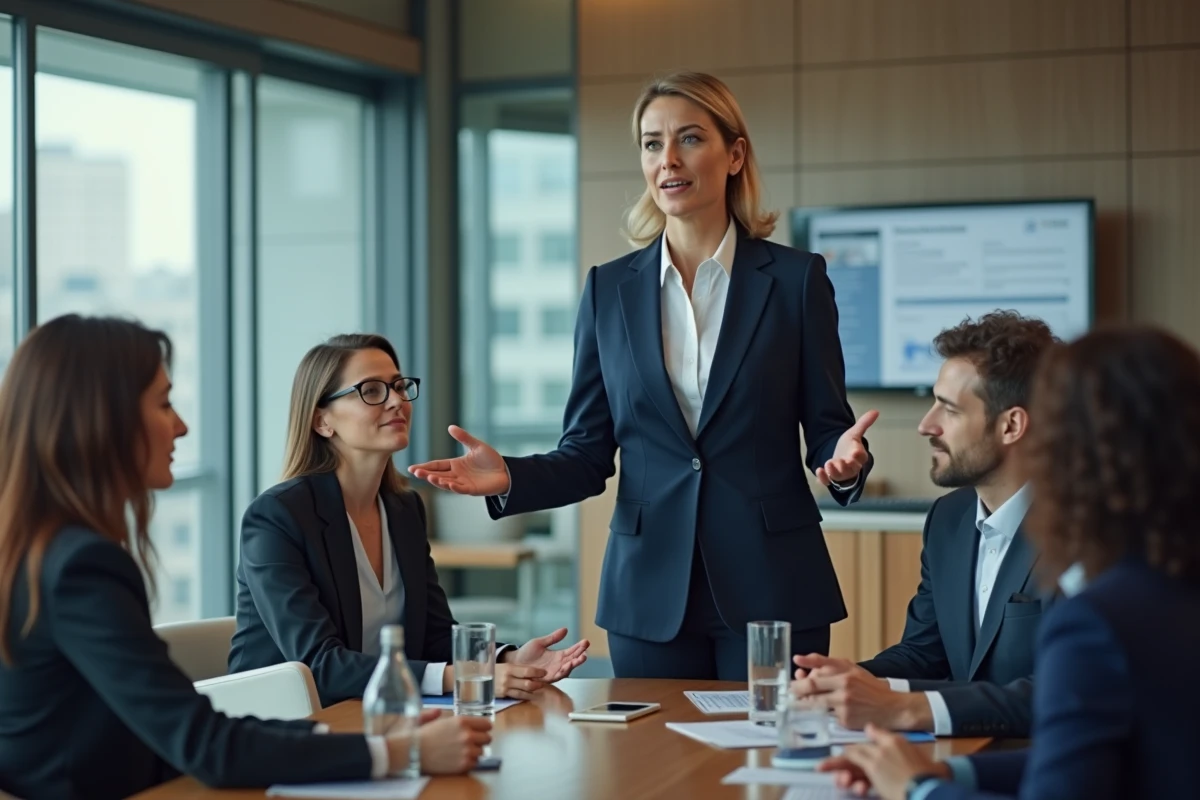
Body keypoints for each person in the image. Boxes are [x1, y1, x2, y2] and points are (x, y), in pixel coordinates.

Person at [409, 70, 877, 681]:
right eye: (652, 143)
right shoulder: (609, 290)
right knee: (654, 769)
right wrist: (510, 479)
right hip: (649, 588)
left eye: (689, 139)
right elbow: (586, 453)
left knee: (766, 764)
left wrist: (844, 462)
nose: (668, 160)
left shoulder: (796, 280)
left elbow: (826, 428)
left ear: (734, 154)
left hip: (773, 583)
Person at [0, 316, 491, 800]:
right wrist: (396, 754)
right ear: (100, 419)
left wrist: (388, 741)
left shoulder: (50, 554)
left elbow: (181, 736)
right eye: (164, 403)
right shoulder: (80, 568)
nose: (182, 426)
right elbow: (203, 743)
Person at [816, 325, 1200, 799]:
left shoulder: (1100, 598)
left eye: (1058, 426)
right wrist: (861, 687)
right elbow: (1111, 755)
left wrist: (917, 788)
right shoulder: (1169, 574)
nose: (926, 424)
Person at [228, 333, 589, 707]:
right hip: (278, 726)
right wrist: (465, 677)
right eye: (372, 391)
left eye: (399, 386)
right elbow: (318, 665)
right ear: (322, 421)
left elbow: (432, 635)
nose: (397, 401)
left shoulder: (403, 509)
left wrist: (505, 659)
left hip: (373, 716)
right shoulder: (276, 517)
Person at [791, 312, 1056, 738]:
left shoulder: (1083, 532)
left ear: (1011, 425)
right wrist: (850, 681)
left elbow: (1063, 692)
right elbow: (923, 654)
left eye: (948, 410)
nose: (925, 424)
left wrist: (904, 708)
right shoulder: (947, 520)